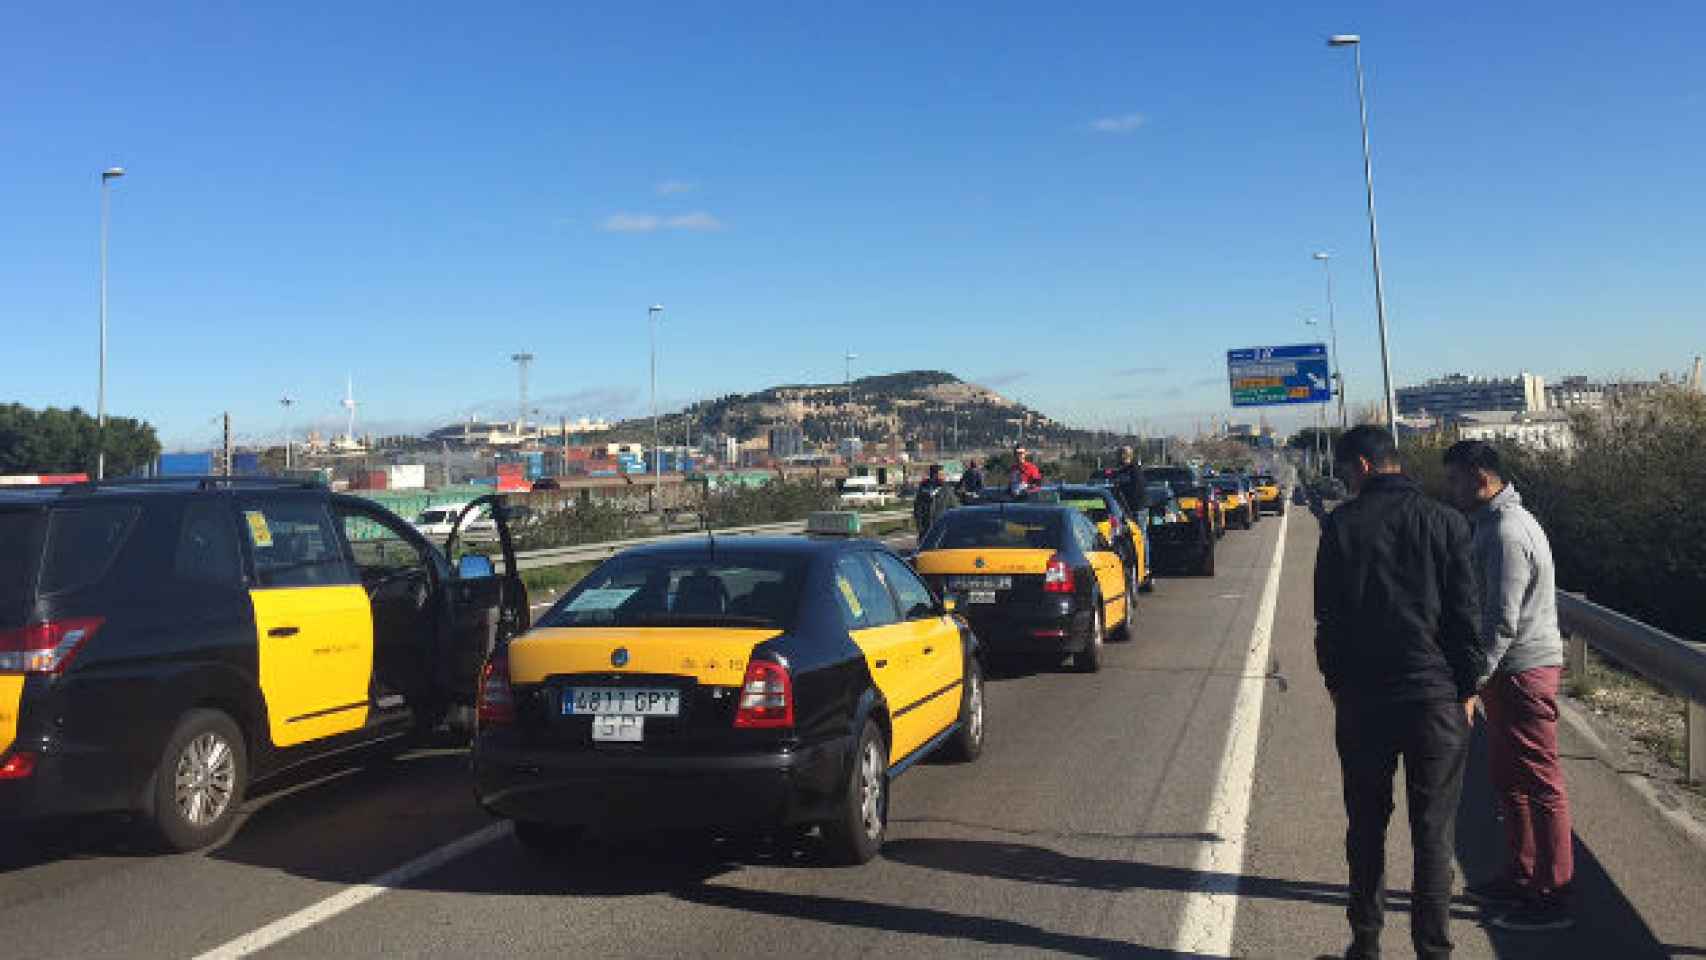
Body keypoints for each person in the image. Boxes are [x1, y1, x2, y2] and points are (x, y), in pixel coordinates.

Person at [1315, 426, 1485, 960]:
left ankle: (1365, 944)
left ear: (1363, 467)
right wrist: (1467, 687)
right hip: (1435, 696)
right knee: (1434, 833)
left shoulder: (1342, 525)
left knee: (1365, 826)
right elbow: (1465, 618)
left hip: (1365, 698)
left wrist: (1337, 683)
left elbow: (1330, 620)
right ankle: (1433, 952)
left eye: (1345, 472)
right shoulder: (1447, 521)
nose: (1345, 482)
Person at [1443, 440, 1574, 932]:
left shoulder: (1506, 531)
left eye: (1455, 479)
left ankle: (1553, 893)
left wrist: (1471, 681)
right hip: (1506, 672)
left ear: (1480, 476)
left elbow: (1502, 620)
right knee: (1510, 779)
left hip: (1520, 671)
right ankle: (1521, 874)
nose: (1450, 490)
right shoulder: (1491, 524)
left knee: (1540, 784)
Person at [912, 464, 958, 537]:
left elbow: (955, 510)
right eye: (941, 474)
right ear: (933, 475)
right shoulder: (923, 490)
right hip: (926, 530)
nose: (944, 477)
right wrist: (920, 527)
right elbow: (917, 510)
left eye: (944, 474)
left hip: (942, 530)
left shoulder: (947, 491)